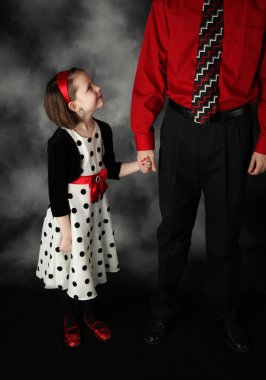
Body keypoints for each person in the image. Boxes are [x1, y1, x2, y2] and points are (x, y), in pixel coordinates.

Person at [130, 0, 266, 353]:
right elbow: (150, 66)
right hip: (179, 129)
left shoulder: (258, 6)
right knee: (173, 228)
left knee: (225, 234)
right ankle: (163, 306)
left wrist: (265, 141)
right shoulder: (169, 4)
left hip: (233, 132)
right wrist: (144, 137)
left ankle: (227, 310)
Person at [36, 67, 151, 348]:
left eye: (94, 83)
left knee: (91, 264)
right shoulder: (60, 141)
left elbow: (109, 169)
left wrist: (139, 165)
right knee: (69, 268)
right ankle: (70, 319)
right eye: (89, 87)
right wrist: (65, 233)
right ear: (74, 105)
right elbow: (56, 193)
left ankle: (90, 314)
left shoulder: (103, 130)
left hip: (95, 214)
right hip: (69, 218)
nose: (98, 87)